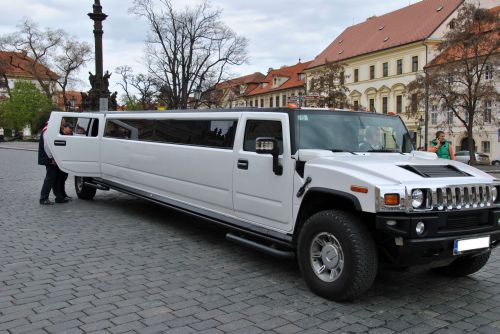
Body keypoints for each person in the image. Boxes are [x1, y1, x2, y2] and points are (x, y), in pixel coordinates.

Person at [38, 121, 68, 205]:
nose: (63, 125)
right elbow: (47, 146)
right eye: (62, 123)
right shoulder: (47, 129)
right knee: (50, 178)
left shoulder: (48, 129)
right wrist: (51, 157)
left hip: (51, 158)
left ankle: (59, 197)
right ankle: (43, 198)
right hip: (49, 158)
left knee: (55, 177)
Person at [56, 122, 73, 201]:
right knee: (59, 179)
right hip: (60, 159)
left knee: (64, 178)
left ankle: (63, 194)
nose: (70, 131)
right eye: (69, 129)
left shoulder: (71, 135)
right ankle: (59, 195)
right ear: (64, 128)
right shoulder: (59, 134)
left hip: (68, 159)